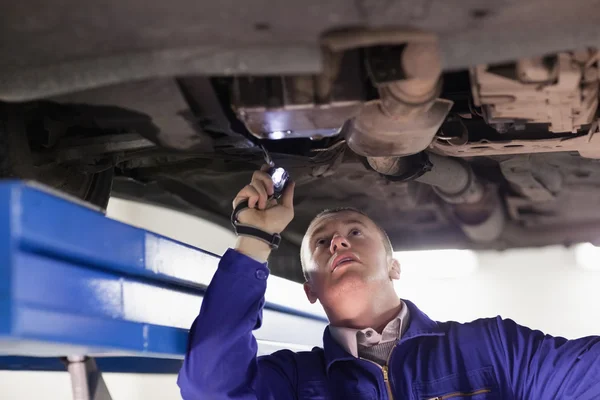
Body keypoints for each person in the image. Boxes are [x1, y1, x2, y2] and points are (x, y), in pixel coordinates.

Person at [177, 168, 600, 399]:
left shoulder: (489, 346)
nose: (338, 240)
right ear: (310, 290)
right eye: (321, 243)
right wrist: (254, 240)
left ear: (394, 266)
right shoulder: (295, 380)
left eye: (355, 232)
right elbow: (210, 389)